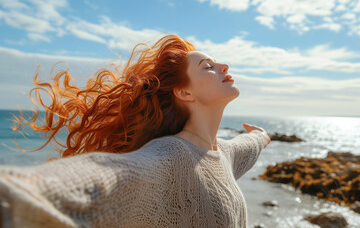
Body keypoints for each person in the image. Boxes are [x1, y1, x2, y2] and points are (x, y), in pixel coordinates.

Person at [0, 34, 271, 228]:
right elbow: (97, 179)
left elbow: (249, 145)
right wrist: (14, 192)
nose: (224, 67)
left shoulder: (222, 152)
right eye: (208, 67)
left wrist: (260, 135)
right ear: (184, 91)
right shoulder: (167, 157)